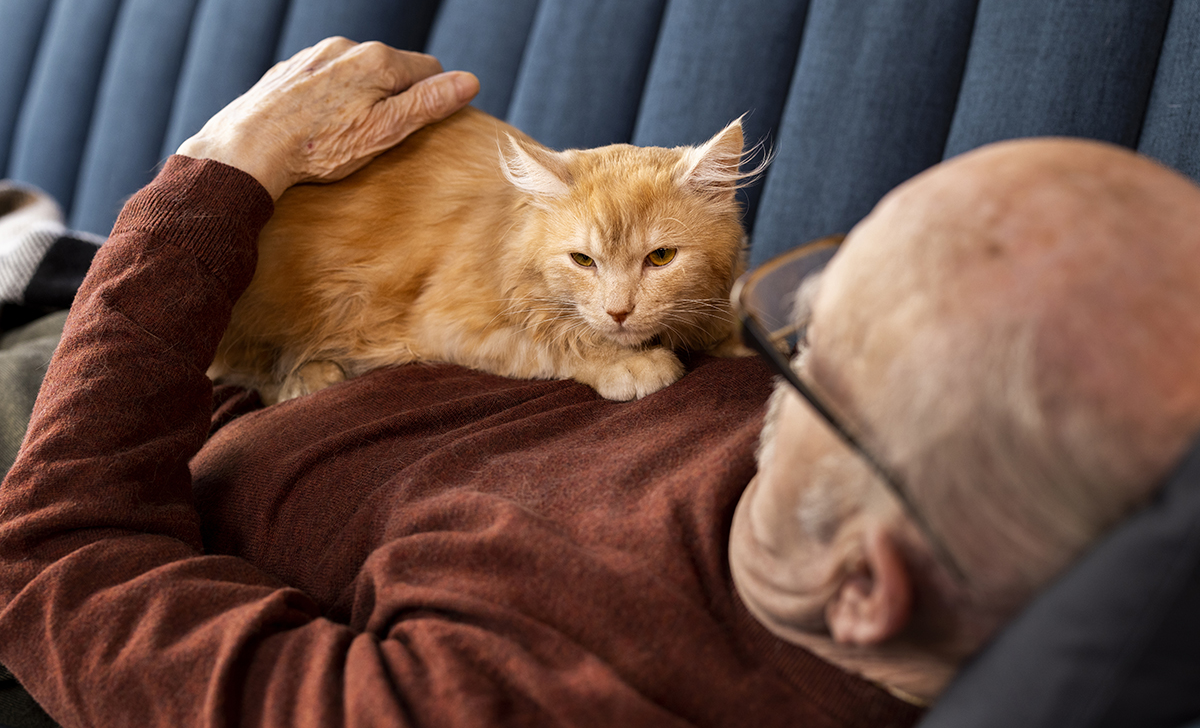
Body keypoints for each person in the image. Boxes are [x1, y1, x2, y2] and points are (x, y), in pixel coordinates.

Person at [0, 36, 1194, 727]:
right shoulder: (841, 481)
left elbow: (49, 556)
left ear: (871, 587)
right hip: (191, 337)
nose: (754, 336)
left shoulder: (526, 692)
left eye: (812, 344)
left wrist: (215, 176)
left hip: (91, 420)